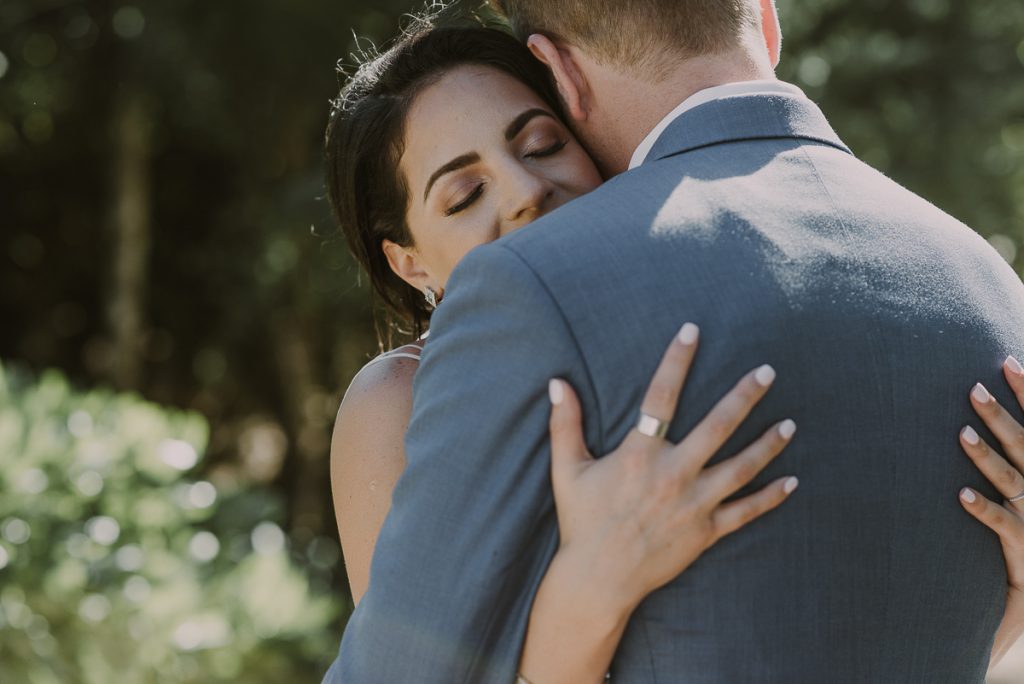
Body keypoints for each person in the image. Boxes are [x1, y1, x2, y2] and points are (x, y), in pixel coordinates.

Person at [324, 1, 1024, 682]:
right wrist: (589, 597)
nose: (525, 192)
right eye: (463, 195)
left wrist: (1008, 611)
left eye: (543, 145)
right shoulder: (396, 401)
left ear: (568, 92)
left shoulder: (659, 304)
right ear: (407, 261)